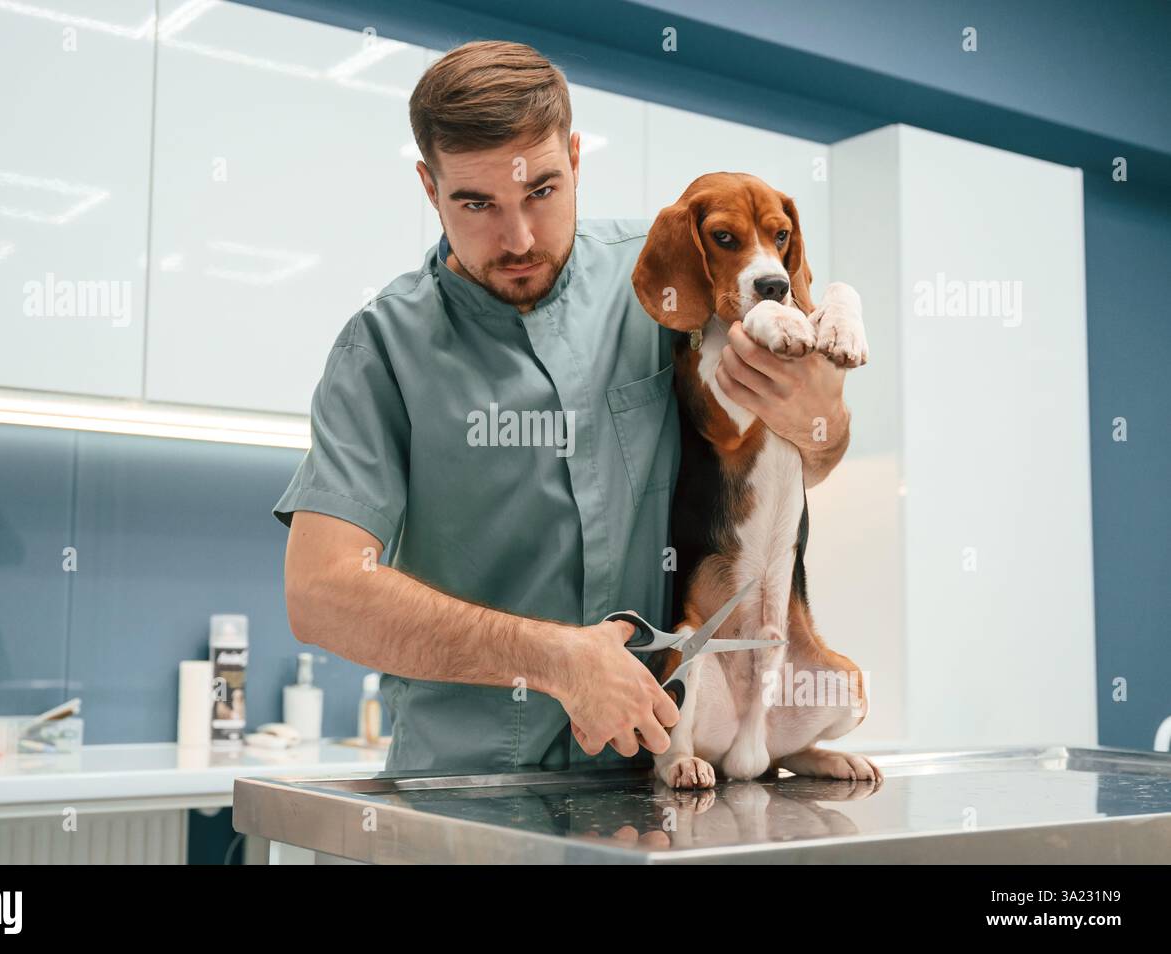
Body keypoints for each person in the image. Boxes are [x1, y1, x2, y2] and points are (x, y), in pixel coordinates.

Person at [272, 39, 852, 774]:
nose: (516, 239)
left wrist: (816, 425)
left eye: (542, 191)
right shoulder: (382, 350)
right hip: (463, 795)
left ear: (575, 159)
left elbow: (809, 454)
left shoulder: (672, 276)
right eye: (476, 204)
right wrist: (552, 657)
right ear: (429, 188)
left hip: (662, 787)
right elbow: (323, 592)